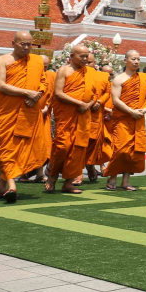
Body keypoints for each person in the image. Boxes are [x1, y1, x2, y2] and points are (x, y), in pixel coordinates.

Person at [0, 32, 47, 203]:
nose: (26, 47)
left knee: (21, 150)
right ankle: (11, 186)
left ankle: (1, 186)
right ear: (13, 43)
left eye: (29, 44)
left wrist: (36, 95)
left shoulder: (36, 61)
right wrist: (26, 93)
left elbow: (43, 82)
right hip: (7, 113)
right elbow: (1, 85)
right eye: (22, 44)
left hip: (29, 112)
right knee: (6, 149)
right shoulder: (2, 61)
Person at [46, 44, 93, 195]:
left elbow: (95, 94)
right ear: (72, 56)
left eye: (87, 56)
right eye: (82, 56)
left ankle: (68, 183)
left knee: (78, 149)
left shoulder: (90, 73)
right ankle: (52, 177)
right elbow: (58, 93)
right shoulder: (64, 70)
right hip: (66, 115)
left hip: (83, 115)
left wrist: (88, 105)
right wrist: (78, 103)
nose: (85, 59)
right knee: (62, 146)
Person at [104, 50, 146, 191]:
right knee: (121, 150)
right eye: (133, 59)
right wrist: (131, 111)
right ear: (126, 61)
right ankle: (112, 177)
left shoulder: (144, 78)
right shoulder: (119, 79)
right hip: (123, 119)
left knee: (133, 152)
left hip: (138, 119)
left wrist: (144, 109)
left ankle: (125, 181)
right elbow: (116, 100)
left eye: (138, 59)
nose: (136, 62)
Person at [25, 55, 55, 183]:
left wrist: (47, 107)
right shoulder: (29, 74)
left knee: (43, 145)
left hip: (44, 115)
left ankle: (39, 173)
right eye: (42, 65)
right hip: (27, 114)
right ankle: (24, 173)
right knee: (27, 145)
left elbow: (53, 94)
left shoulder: (51, 76)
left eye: (46, 66)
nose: (44, 68)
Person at [84, 64, 113, 182]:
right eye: (107, 73)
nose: (108, 76)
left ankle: (98, 165)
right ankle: (87, 168)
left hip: (106, 118)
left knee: (103, 145)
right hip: (93, 115)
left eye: (110, 74)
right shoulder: (92, 79)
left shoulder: (112, 85)